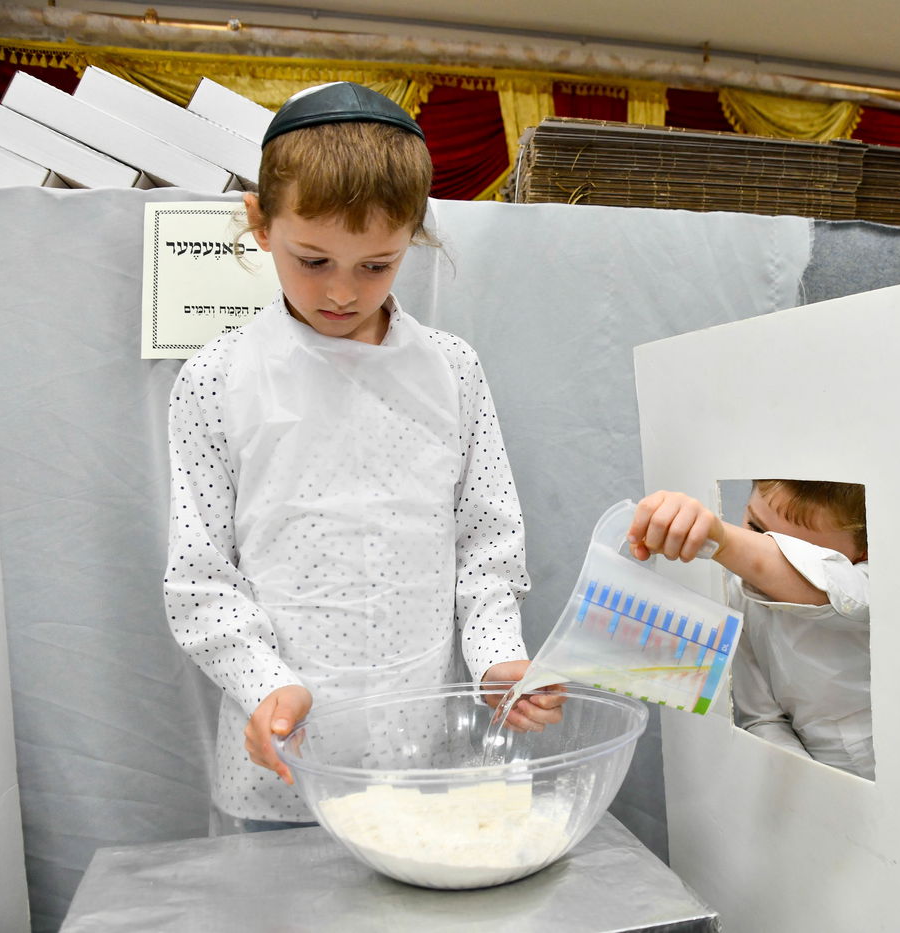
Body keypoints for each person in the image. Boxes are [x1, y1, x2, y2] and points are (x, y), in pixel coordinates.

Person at [163, 83, 561, 831]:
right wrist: (263, 684)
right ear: (260, 225)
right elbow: (201, 579)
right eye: (312, 259)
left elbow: (485, 546)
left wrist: (497, 656)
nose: (342, 292)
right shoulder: (217, 379)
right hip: (282, 761)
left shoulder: (451, 371)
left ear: (414, 238)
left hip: (424, 757)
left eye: (376, 265)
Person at [628, 481, 872, 779]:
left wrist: (723, 539)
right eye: (755, 529)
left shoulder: (874, 585)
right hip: (816, 788)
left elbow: (840, 593)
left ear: (863, 553)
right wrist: (808, 788)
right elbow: (761, 717)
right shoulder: (740, 593)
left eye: (805, 553)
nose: (763, 549)